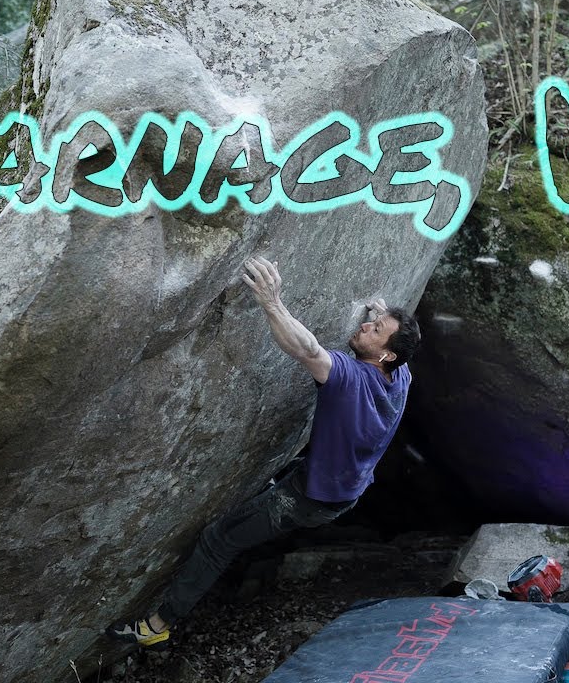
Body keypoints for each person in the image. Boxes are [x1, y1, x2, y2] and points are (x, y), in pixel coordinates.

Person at [111, 255, 421, 648]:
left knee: (218, 540)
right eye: (371, 321)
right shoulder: (400, 376)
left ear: (386, 354)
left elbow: (307, 349)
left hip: (308, 498)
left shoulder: (349, 377)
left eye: (374, 329)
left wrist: (272, 302)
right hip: (342, 489)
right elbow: (400, 339)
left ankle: (158, 626)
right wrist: (384, 318)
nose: (365, 325)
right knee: (283, 483)